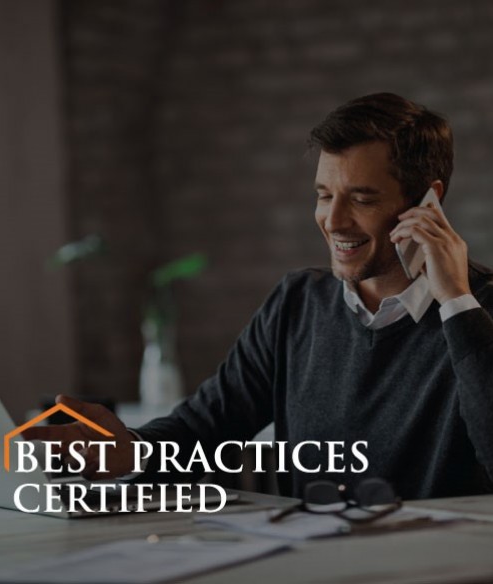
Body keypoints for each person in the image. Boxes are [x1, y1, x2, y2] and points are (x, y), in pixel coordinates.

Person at [24, 93, 493, 500]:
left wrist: (455, 298)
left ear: (428, 201)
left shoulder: (480, 311)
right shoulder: (297, 303)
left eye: (362, 198)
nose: (333, 220)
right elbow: (205, 428)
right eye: (324, 194)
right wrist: (130, 450)